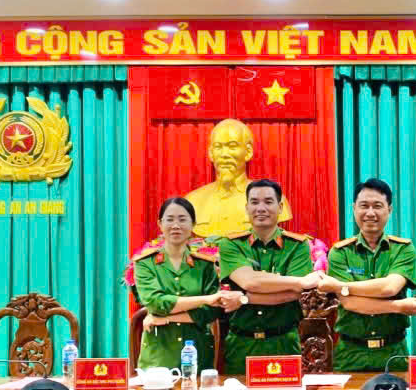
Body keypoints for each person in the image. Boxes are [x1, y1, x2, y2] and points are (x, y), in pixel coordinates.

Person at [318, 178, 416, 372]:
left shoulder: (403, 249)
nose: (370, 213)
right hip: (350, 354)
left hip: (394, 353)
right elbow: (350, 303)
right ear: (354, 209)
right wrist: (399, 306)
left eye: (377, 206)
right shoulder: (340, 252)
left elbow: (389, 288)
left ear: (389, 210)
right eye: (364, 206)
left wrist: (340, 286)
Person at [211, 179, 322, 375]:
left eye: (268, 202)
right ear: (246, 207)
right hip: (241, 345)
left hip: (284, 343)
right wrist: (298, 281)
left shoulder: (297, 245)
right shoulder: (231, 244)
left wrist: (244, 298)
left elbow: (295, 293)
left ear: (280, 207)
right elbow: (250, 281)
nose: (261, 208)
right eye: (254, 202)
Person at [132, 197, 245, 370]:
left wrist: (166, 318)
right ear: (160, 224)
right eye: (170, 219)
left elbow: (211, 311)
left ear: (193, 225)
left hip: (199, 354)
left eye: (182, 219)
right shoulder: (145, 263)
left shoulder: (205, 264)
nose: (176, 225)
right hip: (159, 356)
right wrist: (205, 299)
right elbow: (156, 303)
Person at [185, 119, 292, 237]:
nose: (224, 154)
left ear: (248, 152)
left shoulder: (272, 198)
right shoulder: (192, 201)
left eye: (232, 146)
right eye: (218, 147)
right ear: (211, 153)